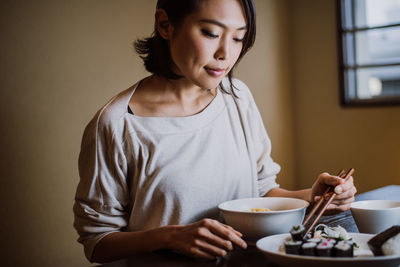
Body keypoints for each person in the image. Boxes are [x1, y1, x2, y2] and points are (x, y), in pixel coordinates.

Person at [73, 0, 357, 263]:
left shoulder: (237, 97)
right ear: (165, 25)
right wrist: (170, 236)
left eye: (238, 38)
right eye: (210, 33)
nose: (226, 54)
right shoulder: (118, 123)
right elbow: (98, 242)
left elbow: (259, 192)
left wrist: (311, 197)